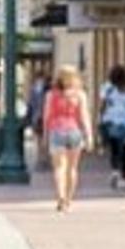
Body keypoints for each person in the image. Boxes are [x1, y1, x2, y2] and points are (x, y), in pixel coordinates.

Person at [44, 65, 93, 211]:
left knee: (59, 168)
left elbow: (47, 116)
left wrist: (45, 135)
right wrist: (89, 135)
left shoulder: (51, 95)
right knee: (72, 168)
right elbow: (84, 116)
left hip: (56, 131)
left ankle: (61, 198)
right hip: (74, 131)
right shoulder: (80, 94)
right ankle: (69, 201)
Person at [98, 64, 125, 190]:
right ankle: (123, 178)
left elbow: (102, 104)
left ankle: (114, 170)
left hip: (111, 121)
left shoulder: (107, 88)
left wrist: (100, 117)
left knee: (114, 149)